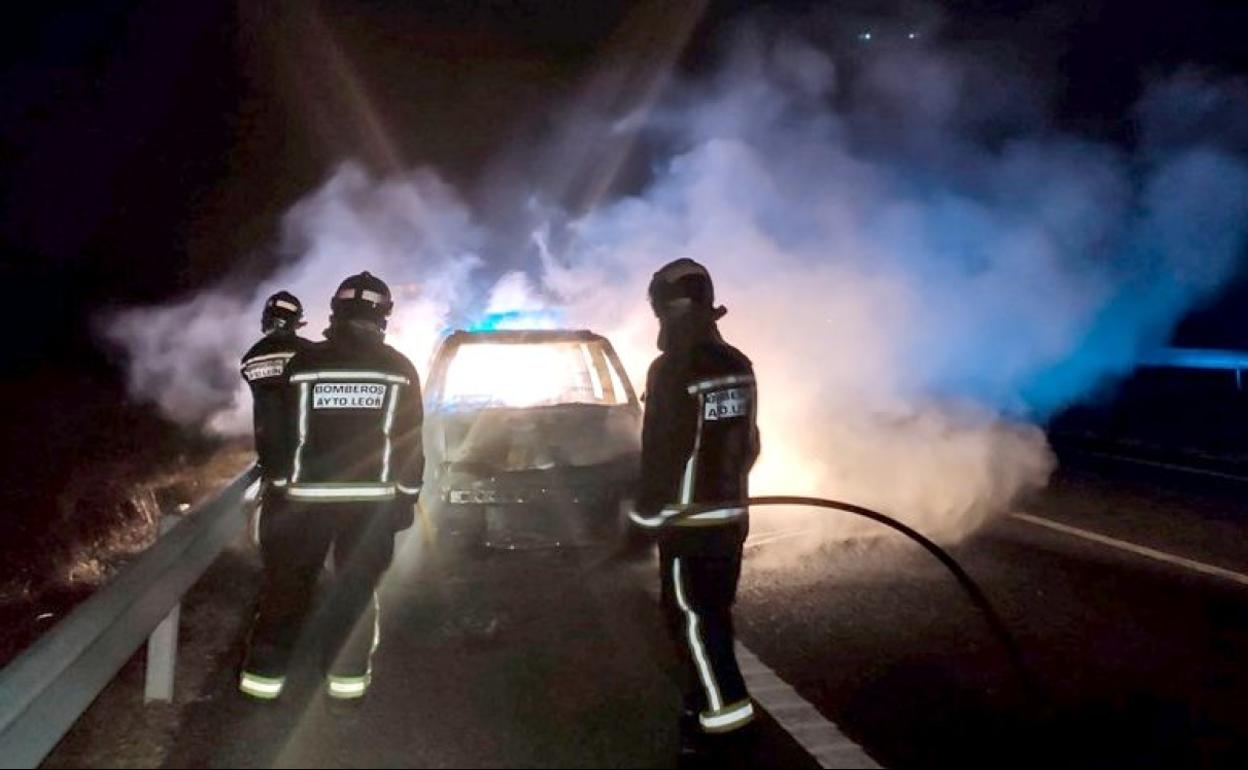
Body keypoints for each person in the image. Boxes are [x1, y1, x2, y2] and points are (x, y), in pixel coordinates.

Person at [239, 272, 423, 703]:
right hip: (370, 504)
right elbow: (412, 442)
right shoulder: (399, 368)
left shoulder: (304, 364)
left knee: (286, 589)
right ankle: (346, 688)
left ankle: (262, 684)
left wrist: (281, 486)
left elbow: (280, 434)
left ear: (335, 313)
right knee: (355, 592)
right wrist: (407, 496)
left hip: (305, 502)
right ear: (383, 316)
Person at [629, 258, 761, 758]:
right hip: (730, 518)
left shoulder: (672, 368)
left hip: (688, 524)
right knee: (714, 615)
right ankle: (702, 707)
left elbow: (664, 450)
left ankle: (725, 727)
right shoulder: (736, 363)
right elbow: (750, 444)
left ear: (664, 305)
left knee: (692, 620)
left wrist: (644, 518)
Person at [240, 291, 312, 493]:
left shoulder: (249, 359)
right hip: (309, 454)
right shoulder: (311, 353)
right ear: (296, 321)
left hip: (271, 459)